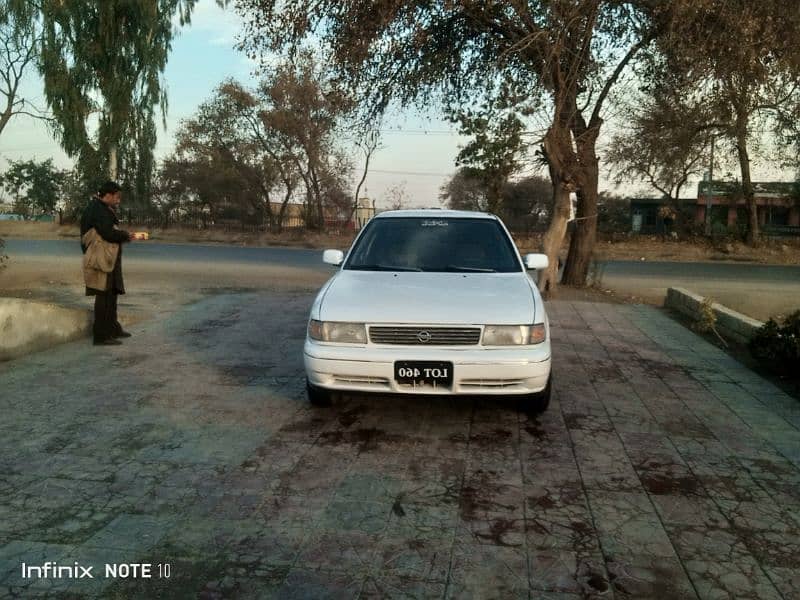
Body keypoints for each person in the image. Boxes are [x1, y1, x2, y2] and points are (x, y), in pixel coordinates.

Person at [80, 181, 135, 346]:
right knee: (104, 296)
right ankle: (101, 336)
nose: (118, 200)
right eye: (117, 197)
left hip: (105, 258)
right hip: (100, 259)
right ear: (108, 195)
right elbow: (108, 233)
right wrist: (126, 236)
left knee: (111, 294)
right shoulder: (98, 209)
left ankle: (113, 329)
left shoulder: (99, 207)